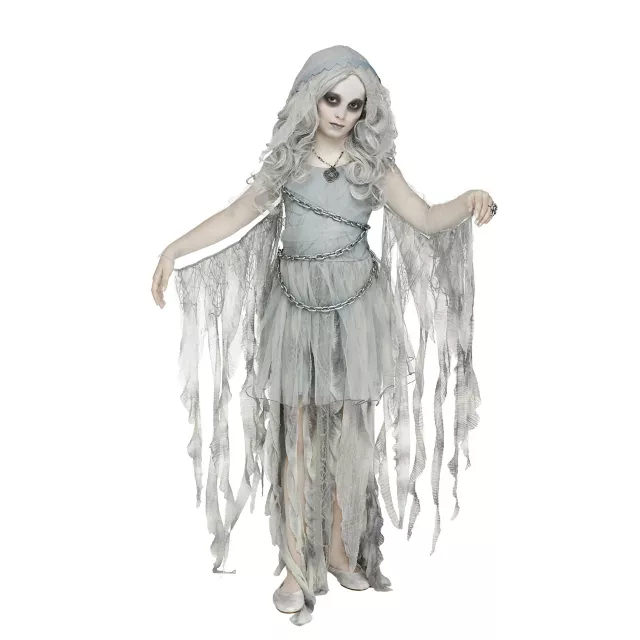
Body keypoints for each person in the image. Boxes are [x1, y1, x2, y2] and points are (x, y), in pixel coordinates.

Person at [151, 45, 496, 627]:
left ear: (367, 111)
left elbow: (424, 216)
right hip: (296, 311)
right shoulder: (288, 162)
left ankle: (338, 548)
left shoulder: (373, 166)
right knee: (300, 437)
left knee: (349, 434)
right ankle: (295, 565)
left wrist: (468, 200)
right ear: (311, 97)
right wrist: (174, 248)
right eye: (332, 99)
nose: (341, 113)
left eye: (354, 105)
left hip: (356, 311)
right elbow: (236, 215)